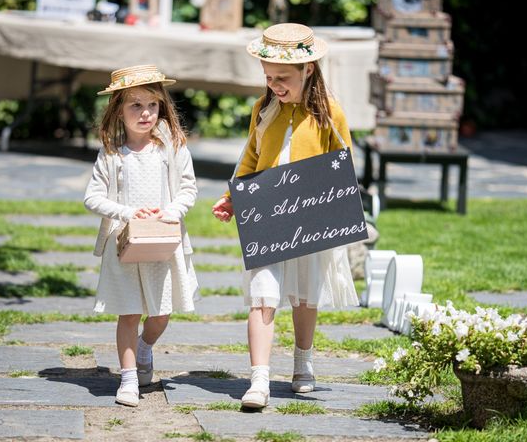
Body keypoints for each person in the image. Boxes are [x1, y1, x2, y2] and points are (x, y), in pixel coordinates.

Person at [212, 23, 359, 408]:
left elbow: (344, 163)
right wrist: (232, 195)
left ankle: (302, 363)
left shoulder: (329, 112)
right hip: (267, 216)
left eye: (282, 77)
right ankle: (258, 380)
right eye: (268, 77)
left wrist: (336, 206)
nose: (274, 84)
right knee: (262, 296)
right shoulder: (263, 109)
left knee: (305, 298)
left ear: (308, 69)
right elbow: (250, 156)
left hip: (310, 216)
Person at [84, 65, 199, 407]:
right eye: (135, 105)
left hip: (163, 240)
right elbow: (92, 196)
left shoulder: (172, 148)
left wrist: (171, 212)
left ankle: (145, 347)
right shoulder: (111, 154)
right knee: (128, 311)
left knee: (161, 312)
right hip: (125, 245)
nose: (145, 113)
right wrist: (127, 212)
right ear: (118, 109)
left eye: (152, 105)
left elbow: (188, 189)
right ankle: (129, 378)